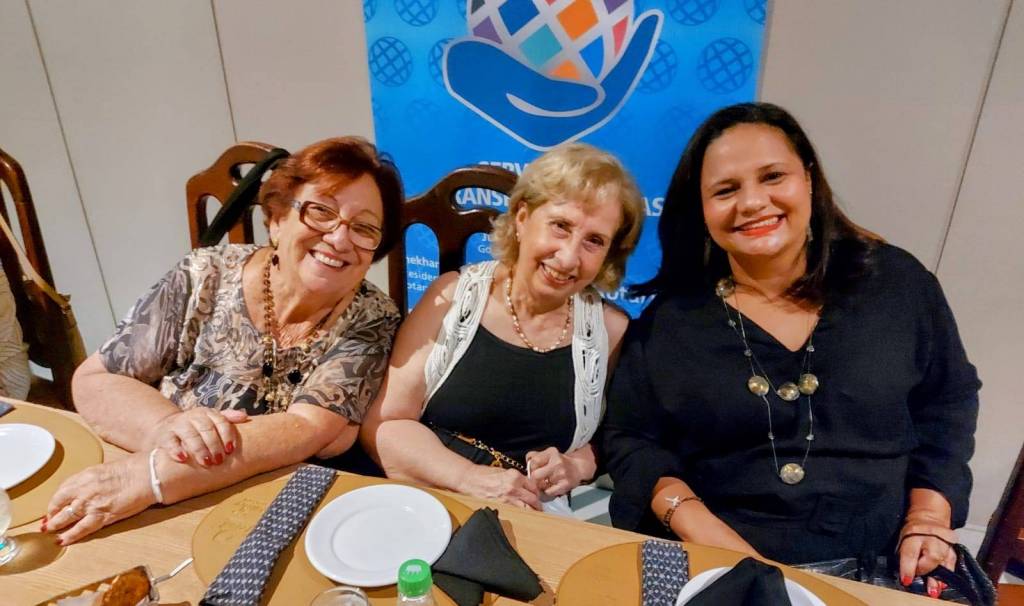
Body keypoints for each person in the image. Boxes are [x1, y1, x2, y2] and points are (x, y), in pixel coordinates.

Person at [602, 103, 979, 599]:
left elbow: (947, 401)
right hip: (720, 564)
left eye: (772, 176)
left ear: (809, 178)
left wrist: (928, 517)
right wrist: (707, 535)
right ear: (701, 209)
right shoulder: (673, 320)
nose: (752, 202)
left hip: (885, 560)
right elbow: (632, 439)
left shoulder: (897, 284)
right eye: (725, 190)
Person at [43, 136, 403, 544]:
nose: (339, 239)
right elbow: (96, 378)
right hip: (139, 494)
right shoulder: (205, 275)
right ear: (277, 219)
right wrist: (166, 427)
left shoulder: (373, 320)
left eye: (363, 228)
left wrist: (149, 476)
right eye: (321, 211)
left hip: (261, 516)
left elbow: (308, 427)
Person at [361, 143, 644, 510]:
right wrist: (470, 479)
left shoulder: (612, 332)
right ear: (522, 218)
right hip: (429, 498)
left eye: (594, 241)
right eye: (561, 226)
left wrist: (576, 465)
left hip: (535, 517)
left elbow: (621, 438)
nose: (569, 257)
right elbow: (384, 425)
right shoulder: (451, 297)